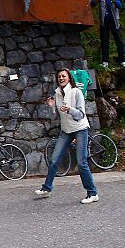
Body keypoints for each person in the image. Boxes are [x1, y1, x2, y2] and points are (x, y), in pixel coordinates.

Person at [34, 69, 99, 204]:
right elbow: (54, 117)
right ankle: (47, 189)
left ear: (69, 78)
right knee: (54, 159)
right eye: (59, 76)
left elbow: (81, 114)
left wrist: (69, 109)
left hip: (80, 129)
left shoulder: (76, 92)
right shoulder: (57, 94)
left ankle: (92, 193)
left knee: (81, 163)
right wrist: (52, 107)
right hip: (66, 131)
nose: (61, 78)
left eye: (63, 76)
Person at [89, 0, 125, 69]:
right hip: (104, 23)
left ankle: (122, 60)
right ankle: (105, 61)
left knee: (119, 41)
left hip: (115, 22)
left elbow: (120, 6)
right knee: (104, 42)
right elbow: (91, 4)